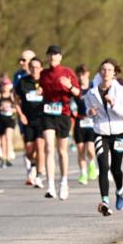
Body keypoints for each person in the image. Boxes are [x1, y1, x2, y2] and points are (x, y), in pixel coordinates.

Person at [84, 58, 123, 216]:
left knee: (116, 168)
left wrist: (113, 104)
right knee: (103, 167)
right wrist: (89, 113)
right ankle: (105, 201)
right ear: (99, 72)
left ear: (114, 73)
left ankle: (119, 191)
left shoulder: (122, 92)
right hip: (101, 133)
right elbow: (88, 111)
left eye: (110, 70)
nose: (106, 72)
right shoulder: (91, 93)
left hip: (119, 133)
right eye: (103, 69)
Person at [40, 45, 80, 200]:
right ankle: (50, 185)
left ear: (60, 57)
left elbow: (78, 93)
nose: (52, 57)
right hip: (48, 114)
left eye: (55, 55)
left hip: (63, 114)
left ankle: (63, 182)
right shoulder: (43, 74)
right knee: (49, 148)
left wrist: (69, 86)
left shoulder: (67, 72)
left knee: (62, 151)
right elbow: (41, 89)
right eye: (50, 55)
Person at [15, 57, 46, 187]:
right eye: (32, 67)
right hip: (27, 119)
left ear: (41, 68)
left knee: (40, 146)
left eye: (37, 67)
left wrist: (44, 92)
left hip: (42, 119)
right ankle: (33, 164)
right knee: (29, 150)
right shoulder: (22, 82)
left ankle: (39, 175)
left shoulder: (45, 82)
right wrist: (20, 114)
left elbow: (55, 97)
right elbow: (15, 99)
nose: (34, 69)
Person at [73, 65, 98, 185]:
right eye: (79, 75)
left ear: (88, 74)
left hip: (92, 121)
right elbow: (70, 101)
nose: (82, 77)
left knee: (90, 149)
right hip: (80, 121)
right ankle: (83, 173)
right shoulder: (76, 88)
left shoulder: (94, 86)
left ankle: (92, 164)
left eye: (84, 74)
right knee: (80, 150)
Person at [0, 77, 17, 168]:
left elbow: (17, 108)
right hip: (0, 119)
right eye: (3, 84)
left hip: (10, 119)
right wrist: (0, 108)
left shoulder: (12, 95)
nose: (5, 86)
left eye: (6, 84)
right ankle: (4, 158)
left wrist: (12, 109)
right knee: (3, 139)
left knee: (8, 137)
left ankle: (8, 156)